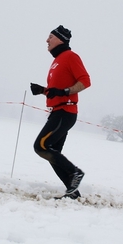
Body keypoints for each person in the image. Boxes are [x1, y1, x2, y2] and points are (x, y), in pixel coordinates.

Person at [30, 25, 91, 199]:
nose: (47, 40)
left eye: (50, 36)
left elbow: (85, 81)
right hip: (58, 111)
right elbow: (56, 90)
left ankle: (75, 173)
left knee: (41, 146)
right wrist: (42, 90)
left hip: (65, 112)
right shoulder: (57, 61)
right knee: (52, 153)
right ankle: (73, 194)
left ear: (60, 39)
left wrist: (65, 92)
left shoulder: (70, 56)